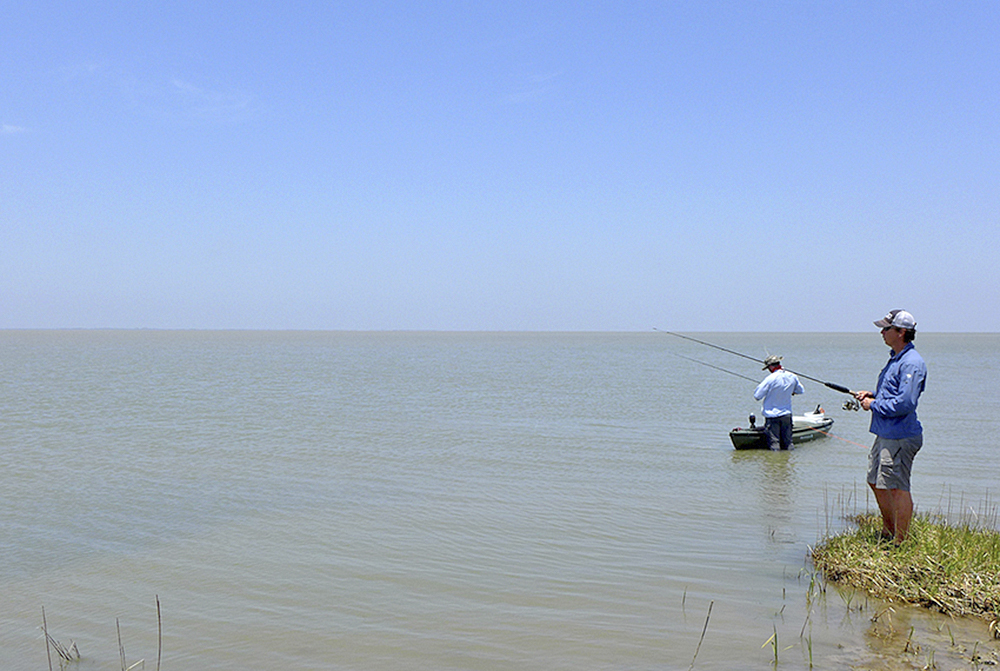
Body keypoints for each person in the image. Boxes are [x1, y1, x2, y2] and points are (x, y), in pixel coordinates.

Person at [854, 309, 927, 544]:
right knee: (875, 481)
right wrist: (872, 394)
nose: (882, 333)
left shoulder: (912, 363)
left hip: (900, 436)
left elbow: (905, 403)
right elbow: (892, 394)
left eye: (886, 328)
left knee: (896, 487)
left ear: (901, 332)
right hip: (885, 434)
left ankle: (900, 542)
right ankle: (888, 531)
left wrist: (873, 405)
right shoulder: (895, 358)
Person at [754, 355, 805, 451]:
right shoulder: (792, 376)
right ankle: (789, 459)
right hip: (786, 415)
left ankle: (775, 460)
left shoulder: (770, 378)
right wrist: (791, 391)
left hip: (772, 416)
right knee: (788, 443)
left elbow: (757, 396)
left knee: (774, 443)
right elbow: (800, 390)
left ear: (770, 367)